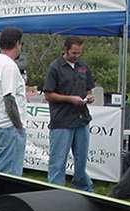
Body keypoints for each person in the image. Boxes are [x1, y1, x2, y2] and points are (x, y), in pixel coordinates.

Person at [43, 37, 95, 191]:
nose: (76, 56)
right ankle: (55, 190)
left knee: (81, 160)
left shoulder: (83, 66)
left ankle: (83, 188)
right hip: (62, 121)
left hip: (82, 119)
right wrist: (69, 99)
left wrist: (89, 97)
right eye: (74, 53)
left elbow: (89, 88)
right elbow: (48, 94)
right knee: (58, 160)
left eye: (79, 53)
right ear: (65, 50)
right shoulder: (55, 67)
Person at [0, 27, 27, 176]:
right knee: (10, 177)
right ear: (17, 43)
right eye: (21, 44)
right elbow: (9, 98)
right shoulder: (9, 65)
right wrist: (19, 126)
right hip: (9, 127)